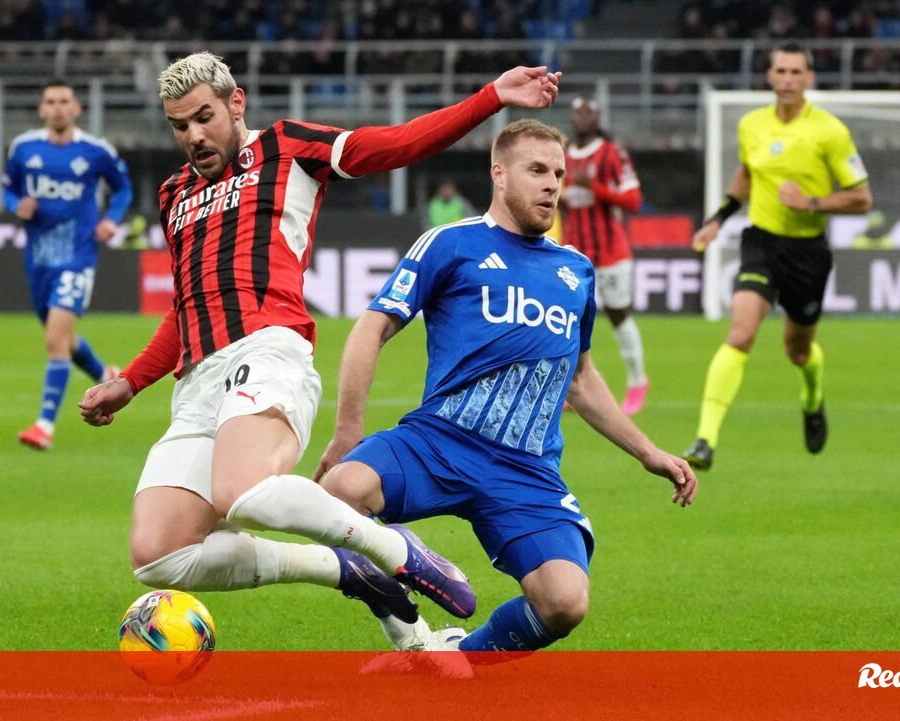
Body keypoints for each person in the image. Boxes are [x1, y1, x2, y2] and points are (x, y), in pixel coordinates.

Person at [77, 52, 564, 626]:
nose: (194, 136)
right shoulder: (174, 194)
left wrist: (491, 98)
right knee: (159, 555)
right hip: (198, 382)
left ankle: (396, 550)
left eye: (204, 117)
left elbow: (399, 143)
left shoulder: (288, 148)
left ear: (237, 103)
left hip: (267, 350)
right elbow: (187, 306)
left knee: (241, 491)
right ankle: (345, 569)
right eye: (179, 126)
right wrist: (132, 382)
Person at [314, 119, 697, 657]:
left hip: (525, 466)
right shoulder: (452, 243)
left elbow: (580, 377)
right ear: (499, 173)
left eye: (558, 174)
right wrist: (347, 431)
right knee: (338, 494)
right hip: (439, 442)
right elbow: (371, 328)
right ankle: (408, 623)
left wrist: (647, 452)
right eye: (537, 170)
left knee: (565, 603)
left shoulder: (575, 270)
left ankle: (456, 661)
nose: (552, 185)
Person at [684, 42, 872, 470]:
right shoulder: (751, 125)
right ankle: (705, 440)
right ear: (769, 76)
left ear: (809, 78)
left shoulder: (830, 131)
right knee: (740, 334)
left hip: (807, 251)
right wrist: (719, 218)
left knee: (798, 351)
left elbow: (862, 198)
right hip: (762, 243)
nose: (787, 80)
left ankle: (812, 397)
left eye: (795, 72)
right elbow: (747, 173)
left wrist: (811, 203)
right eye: (780, 71)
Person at [4, 79, 132, 451]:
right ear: (42, 109)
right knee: (63, 337)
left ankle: (44, 425)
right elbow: (8, 187)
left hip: (78, 256)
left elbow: (123, 188)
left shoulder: (96, 150)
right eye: (51, 101)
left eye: (64, 101)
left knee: (54, 340)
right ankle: (106, 374)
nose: (58, 107)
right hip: (39, 258)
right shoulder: (23, 148)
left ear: (76, 108)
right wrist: (16, 205)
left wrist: (112, 219)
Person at [552, 97, 648, 415]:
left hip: (610, 252)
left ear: (597, 118)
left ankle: (638, 381)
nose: (582, 119)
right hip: (573, 253)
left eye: (588, 114)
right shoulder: (561, 154)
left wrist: (594, 187)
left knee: (619, 315)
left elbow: (633, 201)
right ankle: (571, 388)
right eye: (577, 113)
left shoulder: (612, 153)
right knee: (566, 320)